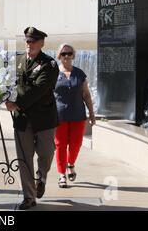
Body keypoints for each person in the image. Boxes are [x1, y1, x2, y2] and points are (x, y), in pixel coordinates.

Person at [6, 27, 59, 210]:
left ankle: (41, 176)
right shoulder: (17, 60)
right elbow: (7, 83)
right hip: (22, 119)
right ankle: (29, 197)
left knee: (46, 153)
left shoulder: (49, 64)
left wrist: (14, 101)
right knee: (24, 158)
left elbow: (38, 90)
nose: (30, 45)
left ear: (42, 43)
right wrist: (4, 97)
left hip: (44, 118)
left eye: (33, 41)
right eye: (27, 41)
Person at [54, 43, 95, 188]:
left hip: (78, 115)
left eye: (69, 53)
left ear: (73, 55)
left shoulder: (79, 73)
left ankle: (70, 164)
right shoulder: (53, 73)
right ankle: (61, 175)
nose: (66, 56)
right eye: (64, 53)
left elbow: (86, 95)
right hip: (59, 116)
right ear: (59, 55)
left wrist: (91, 113)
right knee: (60, 145)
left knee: (76, 144)